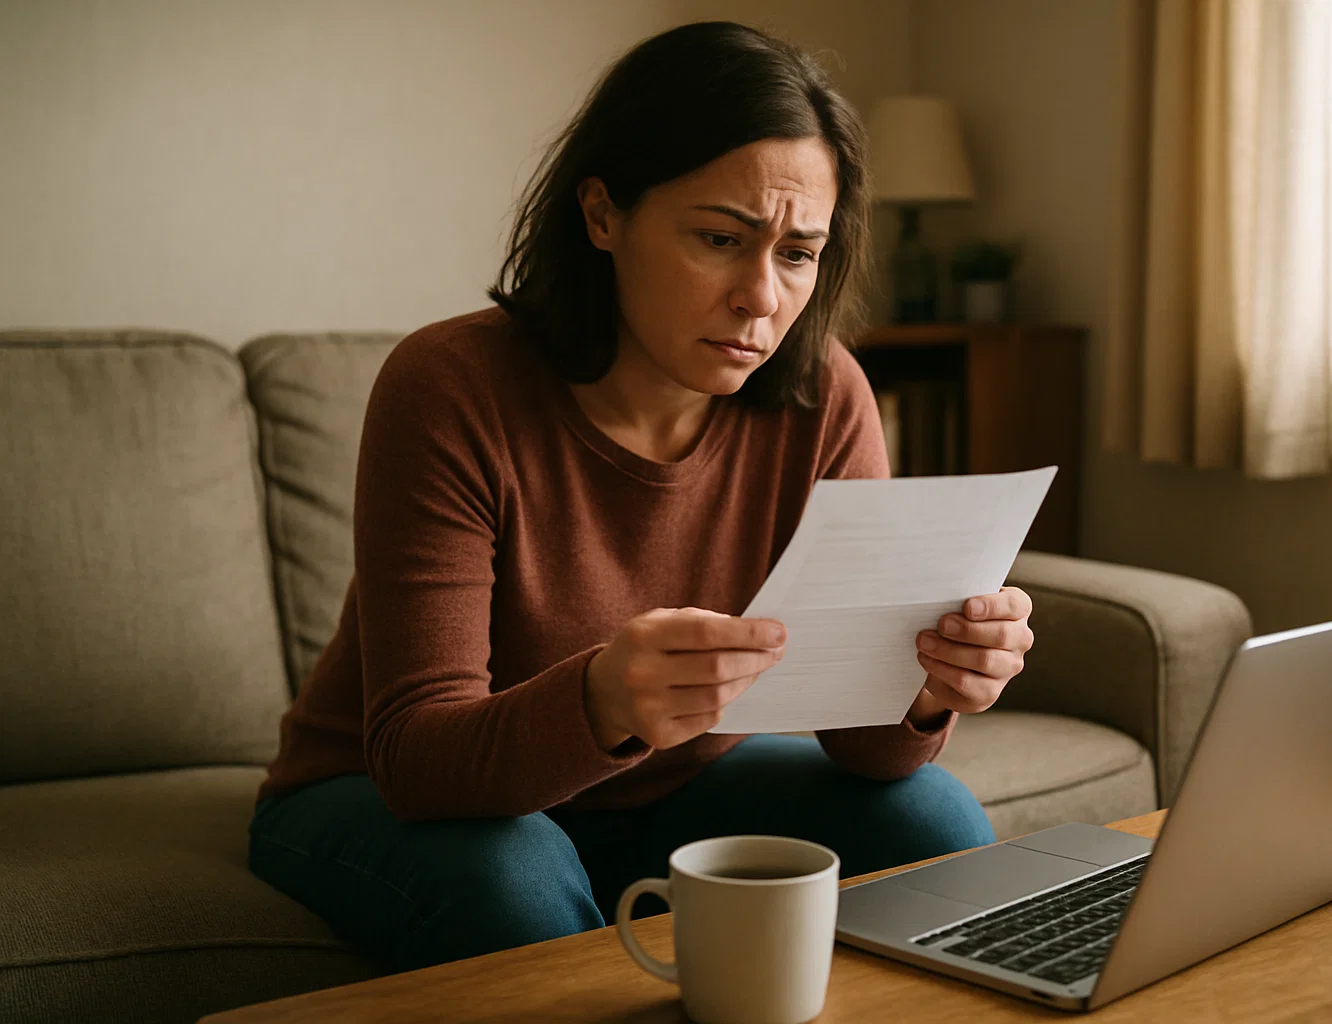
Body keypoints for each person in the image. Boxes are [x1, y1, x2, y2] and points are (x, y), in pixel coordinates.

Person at [247, 20, 1035, 973]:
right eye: (719, 238)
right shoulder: (450, 385)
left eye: (797, 254)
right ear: (603, 214)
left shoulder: (824, 394)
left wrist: (924, 689)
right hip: (377, 789)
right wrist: (601, 697)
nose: (761, 297)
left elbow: (870, 755)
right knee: (516, 879)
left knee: (932, 814)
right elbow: (417, 760)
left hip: (675, 784)